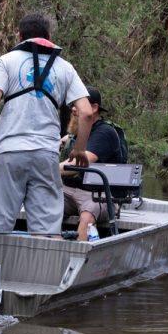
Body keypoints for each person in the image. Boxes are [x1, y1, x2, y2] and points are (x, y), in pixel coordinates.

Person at [0, 13, 95, 234]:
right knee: (46, 232)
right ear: (49, 36)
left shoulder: (7, 61)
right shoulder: (65, 68)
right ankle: (46, 267)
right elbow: (87, 113)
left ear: (20, 36)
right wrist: (79, 149)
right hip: (45, 155)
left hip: (8, 152)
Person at [61, 88, 126, 240]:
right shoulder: (75, 134)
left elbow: (79, 164)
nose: (73, 109)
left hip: (99, 195)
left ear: (94, 108)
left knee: (87, 215)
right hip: (68, 191)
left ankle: (79, 257)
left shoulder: (105, 133)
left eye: (78, 105)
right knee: (43, 202)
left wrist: (46, 171)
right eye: (73, 105)